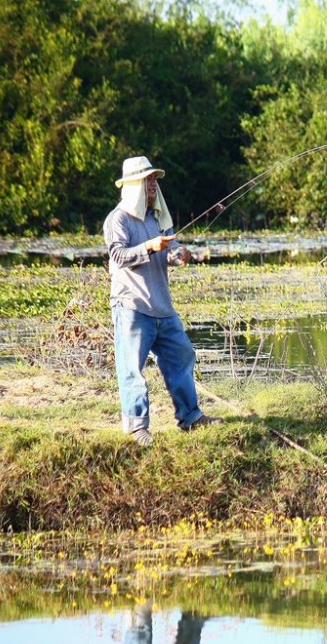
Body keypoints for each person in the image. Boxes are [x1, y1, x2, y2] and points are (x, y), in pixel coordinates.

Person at [103, 156, 221, 446]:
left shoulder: (158, 218)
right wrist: (149, 246)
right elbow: (117, 256)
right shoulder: (117, 219)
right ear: (134, 185)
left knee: (181, 357)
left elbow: (170, 250)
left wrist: (179, 255)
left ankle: (190, 417)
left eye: (154, 179)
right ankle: (136, 426)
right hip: (132, 306)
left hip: (162, 307)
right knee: (132, 367)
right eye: (148, 180)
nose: (153, 185)